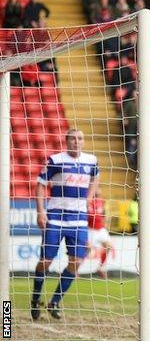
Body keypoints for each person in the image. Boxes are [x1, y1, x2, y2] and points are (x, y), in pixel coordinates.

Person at [31, 129, 99, 320]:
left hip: (78, 219)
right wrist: (41, 211)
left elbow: (96, 176)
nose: (76, 142)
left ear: (83, 141)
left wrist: (90, 196)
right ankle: (35, 298)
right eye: (72, 139)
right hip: (55, 217)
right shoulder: (55, 160)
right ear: (66, 141)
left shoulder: (91, 160)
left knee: (76, 262)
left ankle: (55, 301)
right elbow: (41, 184)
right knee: (46, 262)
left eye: (80, 138)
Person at [88, 188, 113, 279]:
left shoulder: (101, 201)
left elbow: (104, 214)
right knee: (86, 251)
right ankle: (74, 270)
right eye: (96, 189)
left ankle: (100, 268)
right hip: (90, 229)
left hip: (101, 229)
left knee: (109, 247)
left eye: (99, 188)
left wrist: (105, 221)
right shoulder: (87, 201)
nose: (99, 190)